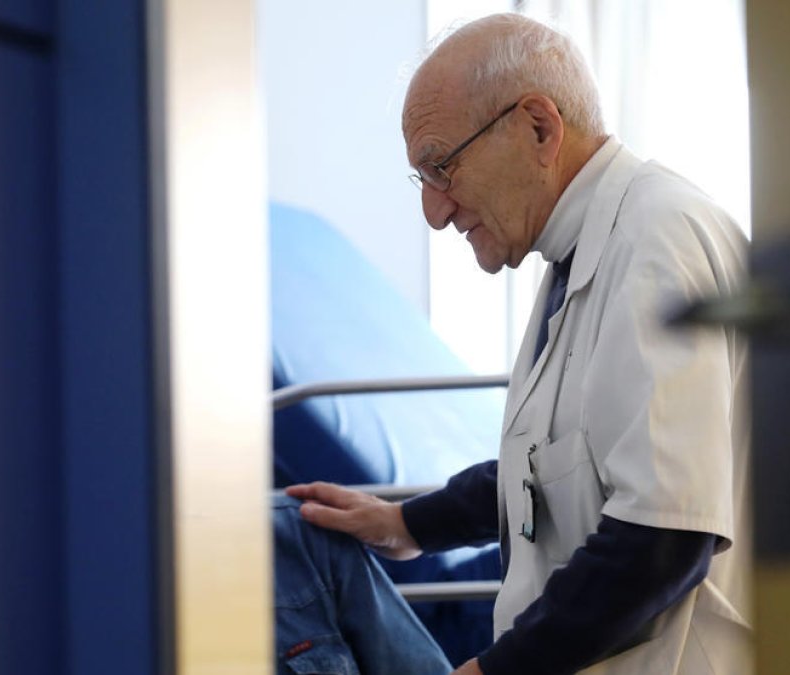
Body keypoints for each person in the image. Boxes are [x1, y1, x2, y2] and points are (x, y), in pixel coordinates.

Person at [277, 12, 751, 675]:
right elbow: (556, 464)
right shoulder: (577, 252)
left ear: (538, 127)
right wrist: (406, 523)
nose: (434, 211)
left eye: (441, 166)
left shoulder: (655, 242)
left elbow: (663, 534)